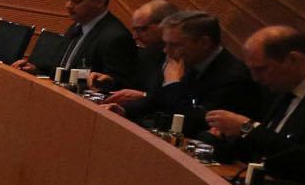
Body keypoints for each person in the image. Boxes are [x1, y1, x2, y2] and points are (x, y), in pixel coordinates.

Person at [108, 9, 259, 131]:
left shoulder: (233, 77)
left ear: (204, 43)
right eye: (166, 43)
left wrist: (173, 83)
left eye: (174, 45)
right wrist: (124, 110)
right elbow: (157, 99)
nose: (166, 50)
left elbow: (193, 123)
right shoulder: (191, 61)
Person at [203, 26, 305, 163]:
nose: (255, 78)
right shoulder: (280, 91)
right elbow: (262, 149)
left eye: (261, 69)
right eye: (251, 70)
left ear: (293, 60)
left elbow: (301, 159)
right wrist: (223, 138)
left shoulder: (282, 88)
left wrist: (247, 128)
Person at [17, 0, 135, 83]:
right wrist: (35, 70)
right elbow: (63, 68)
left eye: (77, 1)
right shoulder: (77, 27)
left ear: (100, 2)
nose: (68, 5)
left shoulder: (116, 37)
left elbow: (119, 83)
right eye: (67, 0)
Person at [91, 0, 175, 93]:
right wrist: (109, 81)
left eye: (142, 29)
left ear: (166, 25)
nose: (135, 37)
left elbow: (176, 98)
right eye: (134, 30)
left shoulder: (185, 59)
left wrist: (144, 96)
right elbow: (131, 87)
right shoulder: (145, 55)